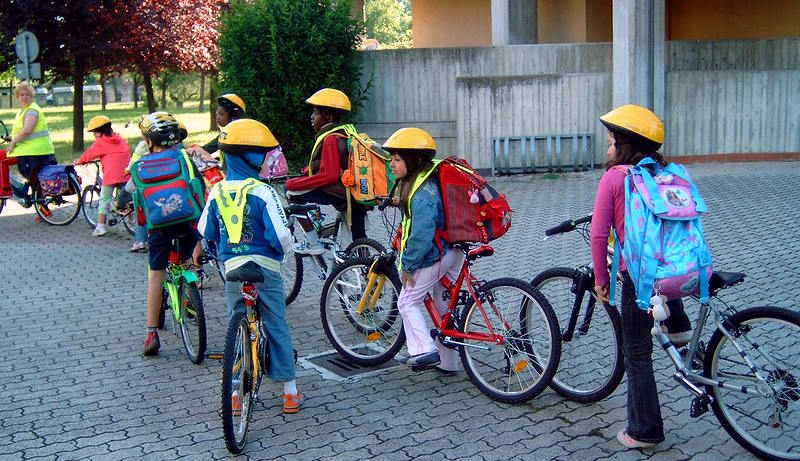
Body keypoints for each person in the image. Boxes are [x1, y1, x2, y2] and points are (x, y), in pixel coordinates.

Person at [590, 104, 693, 449]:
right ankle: (680, 327)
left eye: (610, 142)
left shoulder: (614, 178)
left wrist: (601, 280)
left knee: (637, 353)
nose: (607, 148)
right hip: (678, 269)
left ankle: (644, 430)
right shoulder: (668, 172)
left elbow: (599, 234)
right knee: (662, 287)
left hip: (640, 279)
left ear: (624, 143)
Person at [198, 119, 300, 413]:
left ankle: (234, 392)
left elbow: (206, 232)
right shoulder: (263, 192)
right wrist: (282, 253)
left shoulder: (216, 191)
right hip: (265, 266)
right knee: (276, 322)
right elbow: (280, 235)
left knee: (236, 319)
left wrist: (221, 254)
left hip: (233, 267)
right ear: (248, 156)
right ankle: (290, 391)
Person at [384, 127, 461, 374]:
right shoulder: (425, 180)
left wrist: (408, 265)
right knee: (443, 308)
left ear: (413, 160)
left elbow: (421, 236)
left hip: (435, 255)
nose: (392, 165)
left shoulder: (422, 195)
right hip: (451, 251)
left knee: (407, 302)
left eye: (397, 159)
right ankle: (449, 363)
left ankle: (423, 351)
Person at [136, 112, 203, 356]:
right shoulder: (184, 157)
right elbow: (199, 185)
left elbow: (130, 194)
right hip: (187, 222)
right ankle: (190, 301)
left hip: (158, 228)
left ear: (149, 141)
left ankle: (151, 333)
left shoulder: (141, 164)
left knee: (156, 276)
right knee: (187, 260)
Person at [285, 88, 369, 255]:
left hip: (339, 192)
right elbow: (339, 164)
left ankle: (313, 241)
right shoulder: (344, 133)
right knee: (359, 240)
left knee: (292, 194)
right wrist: (312, 168)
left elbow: (330, 176)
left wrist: (292, 183)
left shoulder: (330, 138)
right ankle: (369, 274)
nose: (312, 117)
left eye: (316, 113)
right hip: (355, 194)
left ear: (328, 118)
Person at [73, 115, 132, 236]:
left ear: (100, 131)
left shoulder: (101, 142)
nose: (94, 135)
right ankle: (131, 219)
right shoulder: (119, 138)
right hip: (126, 172)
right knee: (125, 197)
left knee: (104, 199)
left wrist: (79, 161)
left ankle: (100, 226)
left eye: (94, 132)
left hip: (111, 175)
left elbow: (90, 154)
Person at [4, 82, 56, 218]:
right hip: (29, 149)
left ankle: (5, 189)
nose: (24, 97)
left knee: (1, 158)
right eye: (21, 95)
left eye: (27, 94)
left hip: (34, 151)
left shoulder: (32, 110)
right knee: (35, 180)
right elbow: (22, 131)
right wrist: (12, 138)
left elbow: (27, 130)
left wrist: (14, 141)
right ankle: (43, 210)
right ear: (17, 97)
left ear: (32, 96)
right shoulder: (23, 111)